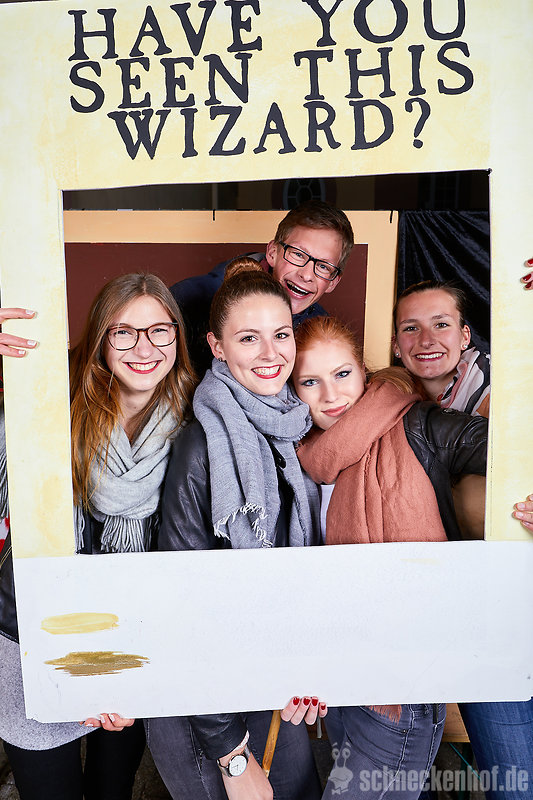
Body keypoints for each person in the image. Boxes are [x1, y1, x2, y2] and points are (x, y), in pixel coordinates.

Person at [0, 274, 196, 800]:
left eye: (159, 330)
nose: (144, 348)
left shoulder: (198, 420)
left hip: (131, 642)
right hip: (31, 636)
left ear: (178, 336)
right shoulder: (47, 402)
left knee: (113, 788)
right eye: (123, 332)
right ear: (100, 339)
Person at [291, 314, 490, 798]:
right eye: (310, 382)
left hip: (403, 683)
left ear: (364, 371)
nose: (331, 395)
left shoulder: (419, 426)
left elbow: (507, 450)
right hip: (339, 676)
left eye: (342, 374)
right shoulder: (303, 456)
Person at [145, 259, 323, 800]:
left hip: (269, 678)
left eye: (281, 334)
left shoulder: (298, 428)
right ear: (217, 347)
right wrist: (230, 751)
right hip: (203, 704)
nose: (271, 354)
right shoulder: (201, 445)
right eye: (249, 338)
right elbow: (182, 603)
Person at [392, 279, 533, 800]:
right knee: (514, 780)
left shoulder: (516, 393)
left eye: (441, 324)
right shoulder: (386, 405)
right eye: (411, 328)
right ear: (395, 342)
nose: (427, 339)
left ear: (466, 334)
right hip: (477, 621)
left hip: (523, 598)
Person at [170, 200, 354, 375]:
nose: (306, 275)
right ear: (272, 253)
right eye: (298, 254)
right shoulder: (193, 298)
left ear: (333, 281)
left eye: (323, 266)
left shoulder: (320, 328)